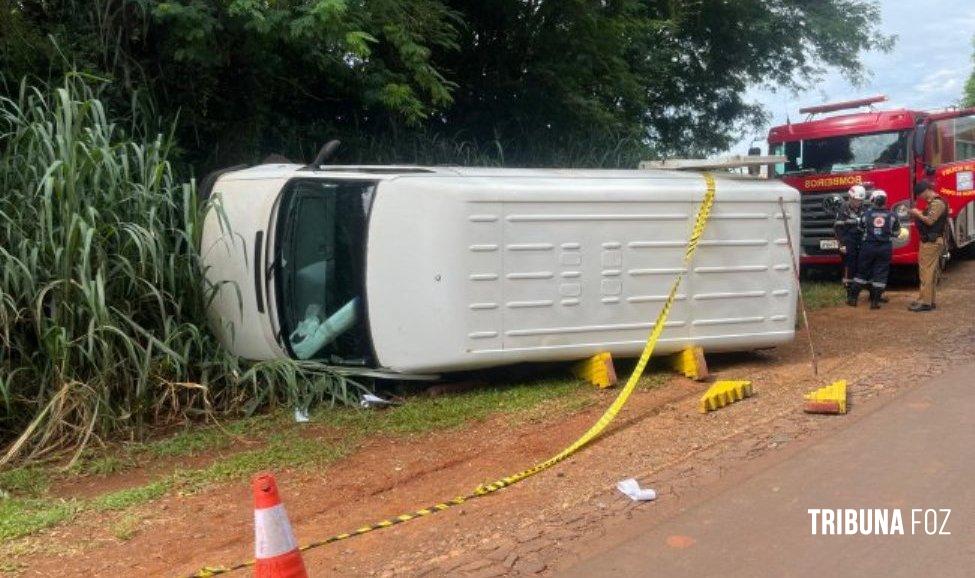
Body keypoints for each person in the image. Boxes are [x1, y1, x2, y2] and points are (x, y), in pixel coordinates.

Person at [850, 189, 901, 309]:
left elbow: (860, 229)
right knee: (881, 274)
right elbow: (897, 232)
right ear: (885, 201)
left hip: (868, 246)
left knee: (861, 272)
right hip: (884, 248)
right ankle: (875, 302)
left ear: (873, 200)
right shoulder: (893, 215)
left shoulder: (865, 214)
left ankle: (853, 299)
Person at [908, 180, 948, 312]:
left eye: (920, 194)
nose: (920, 197)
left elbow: (930, 221)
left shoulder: (937, 203)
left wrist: (917, 213)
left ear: (925, 191)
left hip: (931, 242)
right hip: (930, 241)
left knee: (927, 272)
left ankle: (926, 303)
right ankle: (927, 300)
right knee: (928, 272)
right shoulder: (933, 203)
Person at [836, 185, 867, 306]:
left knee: (862, 266)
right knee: (849, 267)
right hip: (848, 241)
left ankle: (863, 290)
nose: (857, 202)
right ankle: (849, 293)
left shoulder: (864, 209)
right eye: (855, 200)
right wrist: (842, 244)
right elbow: (838, 228)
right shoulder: (843, 208)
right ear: (850, 198)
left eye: (859, 200)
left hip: (860, 240)